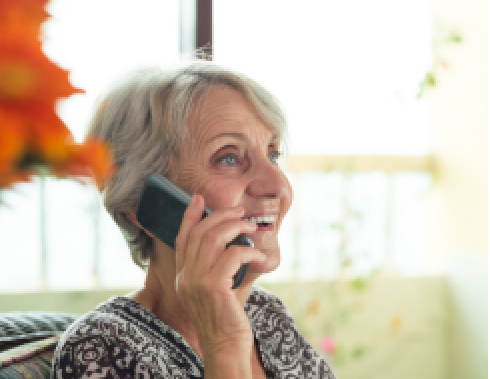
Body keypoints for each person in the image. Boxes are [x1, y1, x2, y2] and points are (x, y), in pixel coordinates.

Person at [51, 62, 336, 378]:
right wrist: (224, 344)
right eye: (229, 158)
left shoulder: (265, 315)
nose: (279, 186)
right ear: (144, 204)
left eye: (272, 155)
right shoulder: (101, 348)